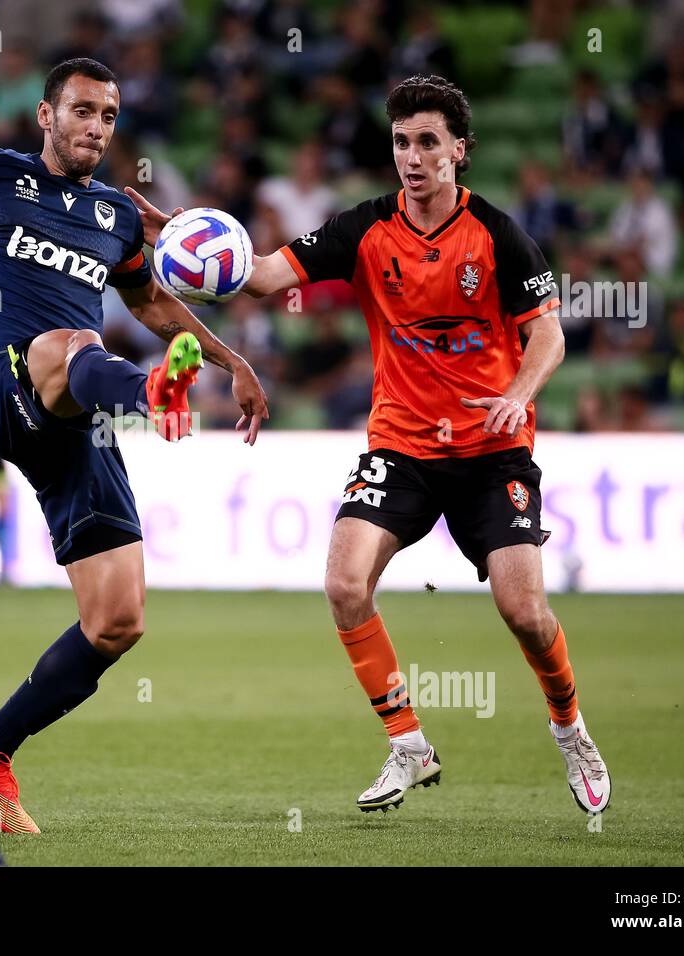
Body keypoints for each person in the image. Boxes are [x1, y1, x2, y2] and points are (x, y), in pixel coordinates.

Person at [132, 74, 611, 817]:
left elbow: (547, 333)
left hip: (492, 448)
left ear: (460, 150)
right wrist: (192, 237)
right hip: (403, 446)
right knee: (345, 584)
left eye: (428, 143)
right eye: (401, 143)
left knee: (524, 611)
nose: (413, 157)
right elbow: (259, 278)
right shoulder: (361, 229)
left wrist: (518, 393)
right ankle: (409, 746)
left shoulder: (501, 237)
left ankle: (570, 727)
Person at [0, 56, 270, 833]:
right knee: (71, 338)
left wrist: (235, 363)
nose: (96, 127)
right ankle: (152, 394)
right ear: (45, 115)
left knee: (118, 619)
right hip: (6, 382)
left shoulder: (118, 216)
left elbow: (156, 305)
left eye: (109, 117)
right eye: (83, 111)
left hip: (79, 412)